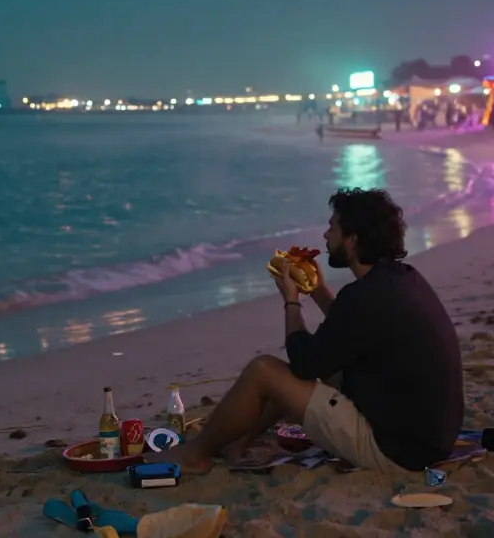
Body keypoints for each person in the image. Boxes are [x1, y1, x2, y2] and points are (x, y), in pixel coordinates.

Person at [146, 188, 464, 474]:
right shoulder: (399, 279)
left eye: (333, 228)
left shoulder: (366, 296)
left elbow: (303, 363)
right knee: (317, 364)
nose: (326, 236)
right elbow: (346, 329)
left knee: (265, 371)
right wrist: (317, 289)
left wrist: (291, 301)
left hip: (398, 452)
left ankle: (195, 456)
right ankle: (237, 443)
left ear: (352, 241)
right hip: (426, 438)